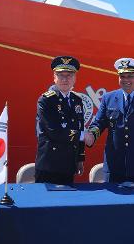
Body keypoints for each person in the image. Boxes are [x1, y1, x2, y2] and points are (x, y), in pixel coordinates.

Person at [34, 56, 86, 185]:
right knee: (46, 204)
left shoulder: (77, 100)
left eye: (69, 75)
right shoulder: (46, 100)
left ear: (75, 78)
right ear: (54, 77)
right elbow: (54, 131)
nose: (65, 79)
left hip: (69, 164)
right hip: (49, 165)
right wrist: (83, 136)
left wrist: (79, 159)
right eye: (60, 75)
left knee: (67, 203)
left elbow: (79, 126)